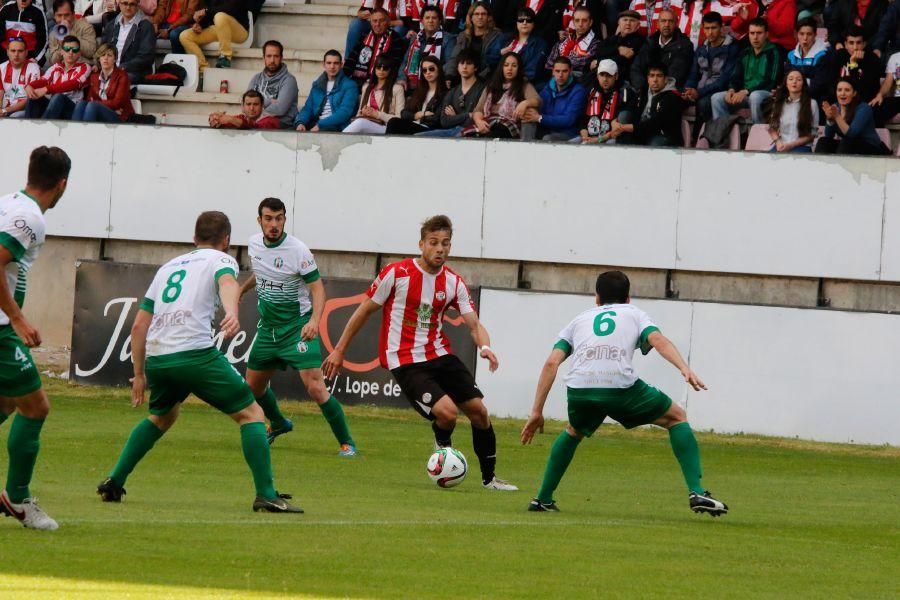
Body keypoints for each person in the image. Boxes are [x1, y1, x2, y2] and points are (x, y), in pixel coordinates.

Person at [97, 211, 303, 514]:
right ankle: (266, 494)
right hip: (193, 353)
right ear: (227, 241)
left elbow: (139, 326)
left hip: (158, 357)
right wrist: (232, 312)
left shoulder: (168, 267)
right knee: (253, 414)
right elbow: (227, 283)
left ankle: (115, 480)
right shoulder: (221, 259)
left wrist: (139, 373)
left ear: (194, 238)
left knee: (162, 417)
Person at [322, 215, 518, 492]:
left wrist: (485, 347)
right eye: (434, 243)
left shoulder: (454, 283)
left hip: (439, 354)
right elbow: (364, 310)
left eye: (446, 244)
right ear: (421, 244)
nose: (440, 249)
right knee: (448, 414)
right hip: (405, 360)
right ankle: (443, 454)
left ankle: (490, 479)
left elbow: (474, 324)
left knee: (479, 411)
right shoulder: (396, 273)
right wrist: (339, 350)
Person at [521, 270, 728, 517]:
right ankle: (697, 491)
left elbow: (551, 363)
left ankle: (542, 499)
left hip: (580, 389)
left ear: (596, 298)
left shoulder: (579, 320)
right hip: (619, 386)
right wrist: (684, 368)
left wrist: (536, 411)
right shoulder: (635, 313)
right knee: (676, 417)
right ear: (628, 297)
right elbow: (658, 340)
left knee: (574, 431)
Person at [238, 199, 358, 454]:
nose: (274, 224)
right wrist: (241, 290)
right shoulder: (254, 244)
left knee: (315, 386)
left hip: (297, 327)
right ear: (259, 220)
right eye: (269, 218)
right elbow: (261, 271)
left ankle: (347, 443)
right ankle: (279, 423)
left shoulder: (298, 250)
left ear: (284, 219)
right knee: (253, 387)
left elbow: (317, 288)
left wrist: (314, 321)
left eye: (279, 218)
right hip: (268, 329)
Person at [0, 146, 71, 531]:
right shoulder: (29, 218)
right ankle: (20, 498)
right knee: (36, 407)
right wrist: (18, 319)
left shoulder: (8, 203)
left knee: (8, 400)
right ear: (62, 184)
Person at [711, 18, 781, 124]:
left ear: (766, 34)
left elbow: (770, 81)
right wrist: (732, 89)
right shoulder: (745, 52)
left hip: (765, 94)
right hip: (744, 94)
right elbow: (736, 76)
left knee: (755, 96)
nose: (755, 37)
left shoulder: (773, 52)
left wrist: (746, 91)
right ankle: (722, 135)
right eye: (752, 33)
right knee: (716, 98)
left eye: (759, 33)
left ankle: (758, 135)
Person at [465, 51, 541, 138]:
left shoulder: (524, 85)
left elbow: (537, 100)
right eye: (506, 65)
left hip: (509, 124)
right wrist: (479, 122)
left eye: (514, 66)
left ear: (519, 68)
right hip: (489, 122)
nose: (509, 69)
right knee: (469, 136)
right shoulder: (491, 86)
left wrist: (525, 103)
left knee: (496, 132)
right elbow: (478, 110)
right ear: (501, 67)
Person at [682, 11, 738, 125]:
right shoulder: (701, 49)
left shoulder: (732, 48)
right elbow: (693, 74)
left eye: (714, 28)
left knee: (703, 103)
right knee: (674, 100)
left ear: (721, 27)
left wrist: (699, 92)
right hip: (699, 90)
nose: (710, 32)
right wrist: (688, 90)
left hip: (719, 91)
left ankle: (701, 138)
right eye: (707, 28)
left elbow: (724, 80)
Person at [417, 47, 485, 136]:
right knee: (418, 137)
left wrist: (455, 117)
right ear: (457, 67)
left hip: (470, 132)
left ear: (475, 67)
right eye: (461, 63)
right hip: (450, 131)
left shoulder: (482, 89)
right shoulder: (452, 91)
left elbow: (474, 119)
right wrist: (467, 115)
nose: (464, 67)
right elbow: (444, 121)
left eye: (469, 63)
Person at [179, 0, 262, 70]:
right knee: (185, 36)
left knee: (220, 16)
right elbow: (211, 12)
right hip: (219, 28)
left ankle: (225, 57)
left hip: (239, 31)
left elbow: (230, 8)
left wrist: (205, 11)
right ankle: (204, 69)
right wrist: (200, 25)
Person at [816, 77, 890, 155]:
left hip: (871, 148)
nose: (842, 93)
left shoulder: (864, 108)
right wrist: (830, 119)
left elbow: (852, 134)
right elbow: (829, 135)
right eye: (839, 90)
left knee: (846, 143)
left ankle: (840, 167)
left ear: (854, 93)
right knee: (823, 141)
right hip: (849, 146)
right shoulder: (836, 107)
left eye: (847, 90)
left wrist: (837, 117)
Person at [23, 35, 90, 120]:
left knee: (58, 97)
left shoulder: (85, 67)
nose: (70, 52)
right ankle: (28, 127)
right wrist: (29, 85)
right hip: (54, 106)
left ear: (79, 53)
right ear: (62, 51)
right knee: (34, 96)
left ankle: (44, 128)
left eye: (75, 50)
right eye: (67, 49)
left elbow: (74, 83)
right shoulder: (55, 67)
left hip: (72, 109)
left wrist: (46, 89)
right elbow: (44, 80)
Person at [522, 56, 587, 140]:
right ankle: (526, 149)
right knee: (528, 119)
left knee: (547, 138)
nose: (560, 75)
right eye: (557, 71)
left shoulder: (578, 91)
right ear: (553, 72)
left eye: (565, 71)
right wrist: (531, 113)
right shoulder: (547, 89)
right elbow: (539, 109)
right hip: (548, 129)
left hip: (568, 133)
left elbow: (569, 120)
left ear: (570, 71)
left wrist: (540, 118)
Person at [295, 50, 360, 132]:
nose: (332, 66)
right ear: (324, 65)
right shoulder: (317, 85)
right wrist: (301, 122)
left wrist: (320, 124)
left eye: (336, 63)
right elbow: (308, 108)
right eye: (329, 63)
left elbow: (344, 113)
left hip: (336, 126)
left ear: (341, 65)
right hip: (315, 123)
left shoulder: (350, 85)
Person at [630, 9, 693, 90]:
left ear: (676, 24)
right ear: (658, 24)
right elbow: (636, 68)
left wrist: (653, 90)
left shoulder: (684, 45)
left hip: (669, 92)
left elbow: (675, 75)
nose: (667, 24)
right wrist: (643, 89)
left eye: (670, 21)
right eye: (663, 21)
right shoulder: (649, 42)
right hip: (645, 89)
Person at [578, 58, 637, 143]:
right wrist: (585, 137)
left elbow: (619, 126)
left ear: (616, 76)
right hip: (589, 137)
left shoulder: (624, 94)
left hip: (610, 138)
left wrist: (599, 140)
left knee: (610, 144)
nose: (605, 79)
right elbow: (582, 120)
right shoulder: (591, 92)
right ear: (597, 76)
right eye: (602, 75)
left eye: (609, 75)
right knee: (571, 143)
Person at [70, 42, 133, 122]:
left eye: (109, 55)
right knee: (81, 104)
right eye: (103, 55)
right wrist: (98, 103)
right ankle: (75, 132)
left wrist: (97, 103)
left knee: (93, 106)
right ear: (99, 58)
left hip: (119, 116)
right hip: (101, 111)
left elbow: (117, 103)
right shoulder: (94, 76)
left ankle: (86, 133)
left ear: (115, 59)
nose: (105, 58)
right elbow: (89, 98)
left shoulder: (122, 76)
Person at [623, 62, 682, 146]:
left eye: (659, 76)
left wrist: (630, 127)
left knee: (654, 143)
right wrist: (617, 122)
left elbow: (656, 123)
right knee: (624, 116)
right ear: (648, 79)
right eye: (652, 75)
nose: (655, 80)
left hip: (663, 135)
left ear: (665, 79)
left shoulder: (672, 97)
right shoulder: (643, 91)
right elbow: (631, 108)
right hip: (642, 130)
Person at [486, 7, 549, 85]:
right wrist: (500, 53)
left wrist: (511, 83)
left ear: (533, 24)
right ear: (516, 23)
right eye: (521, 20)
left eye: (528, 20)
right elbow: (488, 59)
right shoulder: (504, 38)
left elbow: (532, 71)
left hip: (522, 85)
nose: (524, 23)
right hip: (498, 82)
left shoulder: (540, 44)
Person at [386, 54, 447, 134]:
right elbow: (404, 113)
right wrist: (416, 115)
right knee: (393, 122)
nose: (428, 72)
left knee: (394, 123)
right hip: (415, 125)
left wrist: (420, 117)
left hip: (430, 129)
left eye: (431, 69)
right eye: (424, 70)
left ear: (438, 70)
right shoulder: (420, 91)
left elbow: (437, 119)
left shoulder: (445, 93)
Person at [343, 56, 405, 134]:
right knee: (360, 122)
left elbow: (399, 119)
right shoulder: (367, 87)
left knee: (360, 123)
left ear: (390, 70)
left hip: (386, 127)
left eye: (385, 68)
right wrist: (364, 112)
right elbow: (359, 113)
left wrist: (377, 114)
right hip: (365, 122)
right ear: (374, 68)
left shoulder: (397, 89)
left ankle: (337, 141)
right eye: (378, 67)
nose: (381, 70)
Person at [344, 8, 406, 86]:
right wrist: (343, 77)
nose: (377, 24)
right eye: (374, 21)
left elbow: (395, 65)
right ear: (370, 22)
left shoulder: (396, 39)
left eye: (381, 20)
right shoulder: (365, 36)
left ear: (387, 22)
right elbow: (352, 58)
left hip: (382, 83)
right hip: (359, 81)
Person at [398, 5, 454, 90]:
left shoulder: (448, 39)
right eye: (427, 18)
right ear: (422, 21)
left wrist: (428, 74)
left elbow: (449, 63)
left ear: (440, 21)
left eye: (434, 18)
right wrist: (402, 78)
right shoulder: (415, 38)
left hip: (435, 83)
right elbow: (405, 62)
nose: (430, 21)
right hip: (413, 84)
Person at [246, 40, 298, 129]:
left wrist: (255, 110)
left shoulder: (289, 80)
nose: (272, 60)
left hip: (280, 126)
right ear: (264, 58)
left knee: (259, 123)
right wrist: (269, 101)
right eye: (269, 56)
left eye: (276, 56)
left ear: (281, 58)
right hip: (257, 122)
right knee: (231, 122)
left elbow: (279, 109)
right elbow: (246, 103)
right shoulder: (256, 78)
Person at [445, 2, 503, 80]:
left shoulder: (497, 36)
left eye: (483, 14)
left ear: (488, 17)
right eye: (476, 14)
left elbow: (493, 63)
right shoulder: (463, 36)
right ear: (471, 17)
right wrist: (449, 76)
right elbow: (454, 58)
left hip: (487, 79)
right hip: (464, 77)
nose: (480, 17)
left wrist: (479, 79)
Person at [101, 0, 154, 82]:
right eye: (125, 3)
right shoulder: (111, 25)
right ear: (119, 4)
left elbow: (146, 57)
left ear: (137, 5)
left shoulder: (145, 26)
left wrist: (122, 67)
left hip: (133, 72)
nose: (128, 7)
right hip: (110, 69)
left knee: (117, 80)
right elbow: (102, 50)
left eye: (132, 4)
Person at [824, 26, 881, 104]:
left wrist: (853, 65)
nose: (855, 47)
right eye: (851, 43)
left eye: (858, 43)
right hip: (839, 102)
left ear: (864, 44)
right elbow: (831, 85)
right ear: (846, 44)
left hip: (863, 104)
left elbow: (868, 91)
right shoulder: (837, 57)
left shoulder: (872, 59)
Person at [767, 68, 818, 152]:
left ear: (803, 84)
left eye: (798, 79)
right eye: (791, 79)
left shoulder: (812, 104)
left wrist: (791, 145)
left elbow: (812, 135)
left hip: (802, 146)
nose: (794, 82)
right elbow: (772, 128)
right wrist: (778, 142)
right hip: (781, 145)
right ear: (786, 84)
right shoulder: (779, 102)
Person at [544, 6, 598, 83]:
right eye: (577, 20)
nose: (580, 24)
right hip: (555, 81)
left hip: (577, 83)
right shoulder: (563, 41)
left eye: (584, 20)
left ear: (590, 22)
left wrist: (559, 66)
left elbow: (583, 64)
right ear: (573, 22)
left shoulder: (595, 44)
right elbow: (549, 64)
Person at [592, 9, 644, 86]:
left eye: (632, 20)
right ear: (619, 23)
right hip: (602, 76)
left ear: (638, 25)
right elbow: (598, 50)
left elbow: (622, 60)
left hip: (622, 80)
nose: (628, 23)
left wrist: (598, 62)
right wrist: (618, 49)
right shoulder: (613, 38)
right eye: (625, 20)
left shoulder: (640, 41)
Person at [786, 17, 830, 102]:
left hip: (814, 99)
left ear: (815, 35)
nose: (805, 38)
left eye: (809, 34)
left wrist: (796, 85)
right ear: (796, 34)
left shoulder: (823, 55)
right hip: (793, 96)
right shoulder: (791, 55)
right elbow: (786, 79)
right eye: (801, 34)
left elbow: (819, 85)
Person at [47, 0, 97, 66]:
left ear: (73, 14)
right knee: (47, 54)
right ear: (54, 16)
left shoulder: (86, 27)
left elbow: (91, 52)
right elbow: (53, 61)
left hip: (82, 65)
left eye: (67, 15)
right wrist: (62, 47)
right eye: (59, 15)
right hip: (63, 68)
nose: (63, 19)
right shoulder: (53, 34)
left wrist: (70, 35)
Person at [0, 37, 40, 118]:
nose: (16, 54)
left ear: (26, 52)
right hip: (4, 109)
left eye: (20, 51)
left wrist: (6, 110)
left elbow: (30, 99)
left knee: (15, 116)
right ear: (7, 52)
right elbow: (0, 92)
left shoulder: (33, 68)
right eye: (13, 51)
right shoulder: (1, 67)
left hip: (22, 110)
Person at [0, 0, 48, 65]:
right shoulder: (6, 9)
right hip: (5, 56)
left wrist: (35, 59)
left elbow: (43, 40)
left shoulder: (38, 13)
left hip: (29, 57)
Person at [209, 89, 279, 129]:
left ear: (262, 105)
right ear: (243, 106)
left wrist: (231, 119)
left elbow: (254, 127)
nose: (252, 108)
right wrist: (215, 119)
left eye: (256, 104)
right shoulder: (242, 118)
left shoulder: (271, 120)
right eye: (248, 104)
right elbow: (227, 123)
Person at [870, 50, 900, 126]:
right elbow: (887, 83)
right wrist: (880, 94)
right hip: (898, 99)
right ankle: (878, 136)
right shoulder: (895, 57)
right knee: (875, 108)